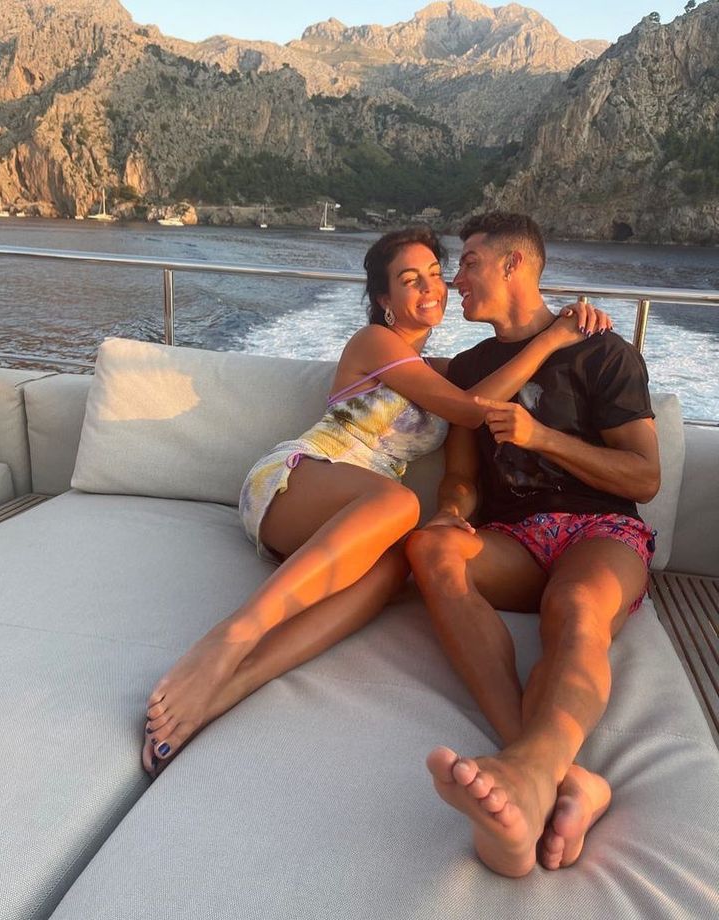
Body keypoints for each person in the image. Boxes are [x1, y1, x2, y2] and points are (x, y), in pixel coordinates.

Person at [142, 226, 610, 776]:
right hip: (299, 478)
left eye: (437, 274)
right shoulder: (373, 344)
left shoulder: (441, 372)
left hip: (353, 518)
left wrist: (577, 319)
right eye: (410, 280)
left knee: (394, 565)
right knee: (399, 507)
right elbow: (468, 410)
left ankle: (226, 690)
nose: (431, 287)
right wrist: (552, 339)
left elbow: (473, 399)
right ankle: (229, 638)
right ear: (385, 300)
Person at [404, 212, 660, 878]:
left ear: (514, 264)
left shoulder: (603, 351)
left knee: (575, 607)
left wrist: (540, 436)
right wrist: (451, 515)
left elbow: (645, 476)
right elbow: (460, 477)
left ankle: (528, 775)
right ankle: (555, 773)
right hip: (515, 537)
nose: (454, 279)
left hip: (602, 531)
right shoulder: (468, 368)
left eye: (469, 263)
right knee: (429, 551)